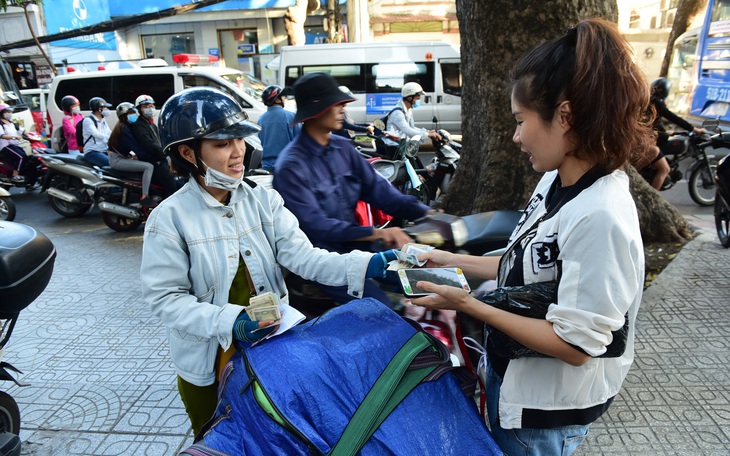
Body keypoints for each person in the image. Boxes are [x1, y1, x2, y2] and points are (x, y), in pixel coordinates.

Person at [411, 19, 651, 455]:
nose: (517, 137)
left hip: (543, 419)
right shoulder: (556, 181)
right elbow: (523, 266)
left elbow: (577, 345)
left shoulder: (601, 215)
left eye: (521, 121)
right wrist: (450, 261)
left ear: (565, 116)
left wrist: (470, 304)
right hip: (514, 389)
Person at [140, 86, 393, 435]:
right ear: (187, 152)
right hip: (208, 364)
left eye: (240, 140)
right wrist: (231, 321)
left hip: (271, 350)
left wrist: (368, 265)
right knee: (220, 441)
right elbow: (165, 300)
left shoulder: (264, 200)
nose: (238, 152)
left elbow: (305, 258)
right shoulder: (169, 219)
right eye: (222, 143)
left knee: (278, 437)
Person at [273, 72, 432, 306]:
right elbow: (317, 227)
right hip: (324, 258)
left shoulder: (343, 148)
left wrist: (426, 213)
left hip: (358, 244)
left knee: (427, 279)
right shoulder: (290, 166)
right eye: (335, 104)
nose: (342, 109)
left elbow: (378, 190)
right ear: (316, 111)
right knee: (382, 308)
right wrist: (378, 233)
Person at [638, 77, 707, 190]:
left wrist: (667, 132)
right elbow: (673, 117)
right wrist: (694, 129)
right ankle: (653, 198)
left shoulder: (648, 101)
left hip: (646, 139)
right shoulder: (656, 103)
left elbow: (655, 122)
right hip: (649, 142)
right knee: (664, 169)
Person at [107, 102, 158, 206]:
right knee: (148, 167)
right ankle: (145, 196)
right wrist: (150, 156)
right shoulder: (124, 128)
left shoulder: (126, 127)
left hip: (123, 157)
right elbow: (136, 147)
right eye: (130, 113)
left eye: (134, 112)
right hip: (117, 160)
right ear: (124, 116)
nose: (133, 115)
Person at [129, 94, 177, 198]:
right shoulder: (138, 125)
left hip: (161, 159)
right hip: (153, 161)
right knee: (171, 186)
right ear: (139, 109)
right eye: (146, 107)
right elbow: (150, 144)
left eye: (151, 106)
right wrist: (165, 151)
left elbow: (160, 139)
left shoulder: (151, 124)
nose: (150, 109)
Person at [257, 84, 301, 171]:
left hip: (267, 166)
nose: (285, 99)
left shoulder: (261, 119)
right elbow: (300, 139)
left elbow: (261, 142)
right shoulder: (291, 116)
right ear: (277, 99)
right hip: (288, 165)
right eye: (283, 97)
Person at [81, 96, 112, 167]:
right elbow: (96, 134)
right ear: (99, 109)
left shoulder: (103, 120)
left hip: (104, 150)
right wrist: (109, 138)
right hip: (92, 152)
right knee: (111, 163)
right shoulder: (88, 120)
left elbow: (109, 132)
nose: (107, 110)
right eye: (105, 108)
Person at [0, 104, 27, 183]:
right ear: (1, 113)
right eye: (7, 112)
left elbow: (23, 131)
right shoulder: (1, 124)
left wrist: (33, 134)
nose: (9, 113)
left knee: (27, 157)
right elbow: (2, 136)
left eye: (10, 111)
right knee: (21, 157)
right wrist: (14, 137)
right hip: (5, 146)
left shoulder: (12, 123)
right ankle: (15, 176)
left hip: (15, 145)